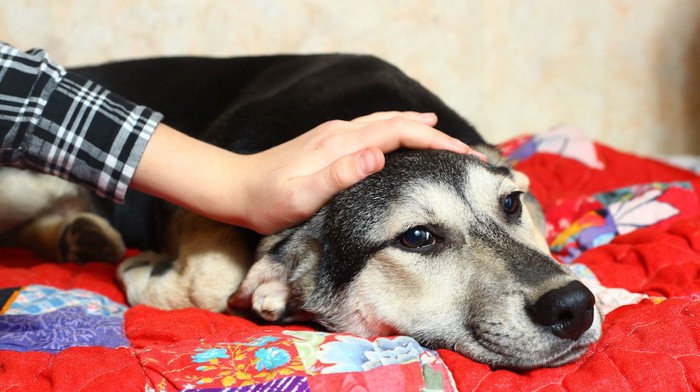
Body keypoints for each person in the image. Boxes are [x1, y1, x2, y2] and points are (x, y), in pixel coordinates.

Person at [0, 42, 479, 235]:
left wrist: (235, 182)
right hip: (37, 166)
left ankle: (47, 230)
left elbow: (22, 95)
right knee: (22, 191)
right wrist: (233, 179)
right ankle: (49, 226)